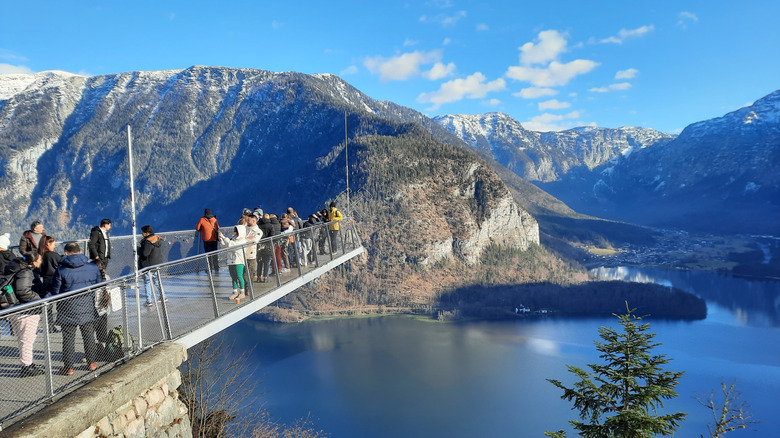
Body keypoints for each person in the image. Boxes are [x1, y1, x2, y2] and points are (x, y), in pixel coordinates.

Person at [51, 242, 102, 375]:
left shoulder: (61, 270)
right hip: (88, 306)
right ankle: (91, 363)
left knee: (68, 338)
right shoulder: (93, 267)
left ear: (66, 253)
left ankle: (69, 367)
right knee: (89, 336)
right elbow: (99, 286)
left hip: (67, 308)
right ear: (80, 251)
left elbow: (55, 292)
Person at [5, 251, 45, 377]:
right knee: (27, 339)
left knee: (24, 339)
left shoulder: (15, 268)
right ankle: (27, 367)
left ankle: (28, 363)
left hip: (16, 309)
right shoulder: (26, 272)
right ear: (33, 261)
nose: (41, 261)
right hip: (26, 311)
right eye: (40, 259)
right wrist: (39, 299)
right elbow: (23, 291)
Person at [138, 225, 165, 307]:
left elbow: (145, 253)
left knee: (147, 282)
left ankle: (149, 301)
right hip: (156, 264)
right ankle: (163, 297)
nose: (142, 234)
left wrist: (138, 249)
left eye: (143, 232)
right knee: (157, 281)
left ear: (146, 233)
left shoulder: (147, 242)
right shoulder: (156, 239)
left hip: (148, 265)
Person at [219, 225, 248, 301]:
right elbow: (225, 246)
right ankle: (235, 292)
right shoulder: (233, 239)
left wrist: (224, 237)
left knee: (239, 276)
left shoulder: (242, 241)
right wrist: (221, 240)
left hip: (238, 261)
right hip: (230, 261)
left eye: (235, 231)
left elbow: (231, 245)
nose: (234, 232)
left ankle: (242, 292)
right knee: (233, 277)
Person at [39, 236, 62, 333]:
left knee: (48, 305)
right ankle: (60, 323)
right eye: (53, 244)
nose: (54, 246)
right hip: (55, 281)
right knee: (61, 302)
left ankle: (49, 327)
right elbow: (61, 264)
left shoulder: (40, 255)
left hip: (46, 281)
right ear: (48, 244)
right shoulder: (54, 255)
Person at [196, 208, 220, 273]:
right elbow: (218, 227)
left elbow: (197, 228)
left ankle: (209, 269)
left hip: (206, 241)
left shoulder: (202, 219)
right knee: (215, 254)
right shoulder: (214, 219)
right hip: (214, 240)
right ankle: (216, 268)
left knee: (208, 255)